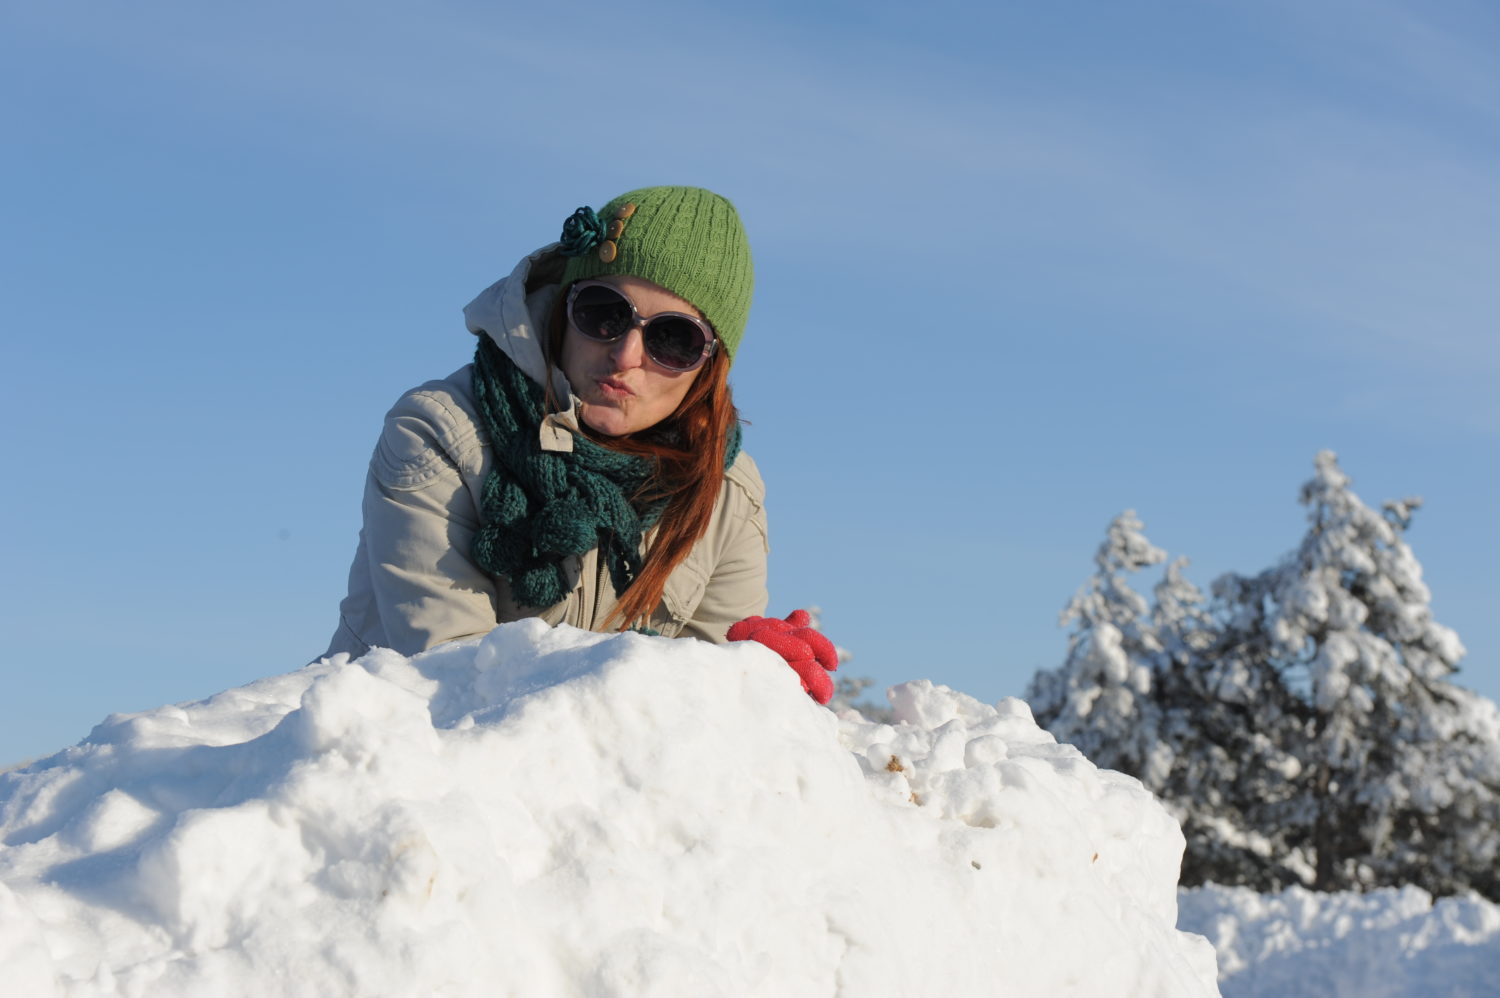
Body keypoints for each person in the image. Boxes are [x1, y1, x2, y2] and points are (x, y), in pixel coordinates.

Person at [324, 186, 839, 701]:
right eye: (604, 312)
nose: (626, 353)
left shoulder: (727, 491)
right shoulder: (441, 430)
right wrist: (660, 677)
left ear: (708, 366)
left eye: (674, 339)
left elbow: (701, 717)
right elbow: (452, 676)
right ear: (562, 312)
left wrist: (747, 677)